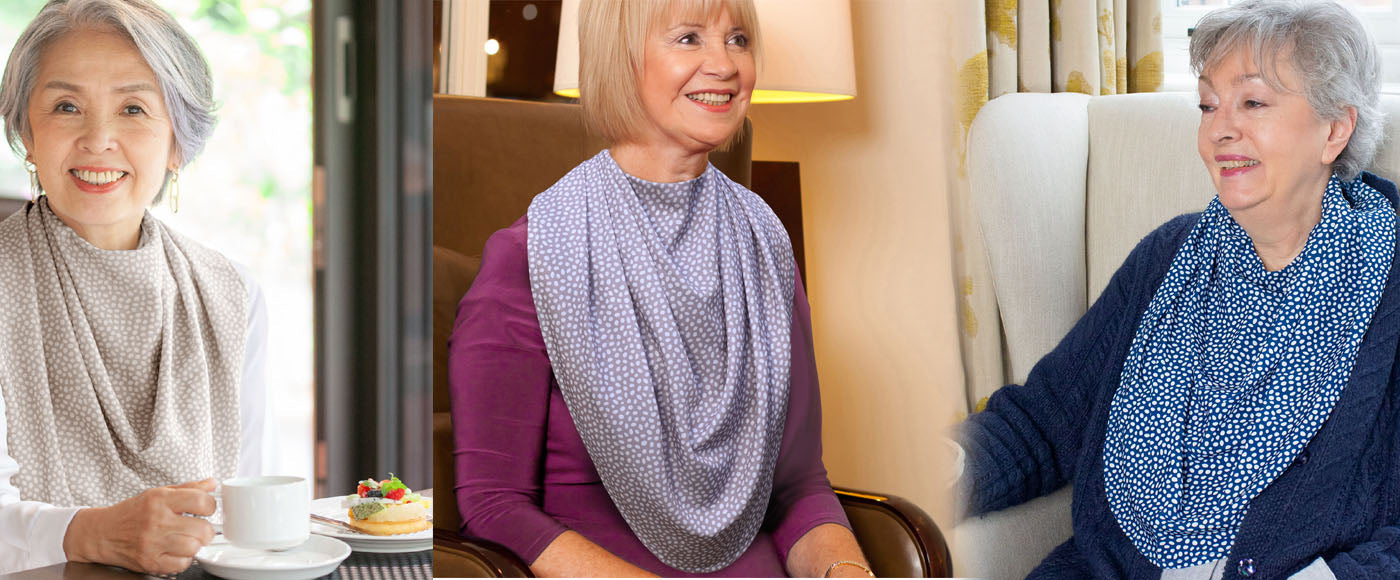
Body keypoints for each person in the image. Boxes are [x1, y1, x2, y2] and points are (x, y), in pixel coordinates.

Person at [959, 1, 1399, 578]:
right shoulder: (1168, 257)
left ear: (1335, 129)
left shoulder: (1388, 286)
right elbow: (1045, 420)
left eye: (1253, 102)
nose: (1220, 128)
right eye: (1208, 104)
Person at [448, 0, 872, 576]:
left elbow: (800, 487)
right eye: (689, 38)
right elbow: (494, 507)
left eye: (740, 39)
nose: (724, 65)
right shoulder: (532, 255)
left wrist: (847, 571)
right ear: (622, 60)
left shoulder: (766, 243)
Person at [0, 0, 268, 574]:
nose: (99, 139)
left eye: (134, 109)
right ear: (26, 130)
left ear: (177, 142)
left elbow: (244, 509)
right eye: (66, 106)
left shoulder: (233, 294)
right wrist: (86, 534)